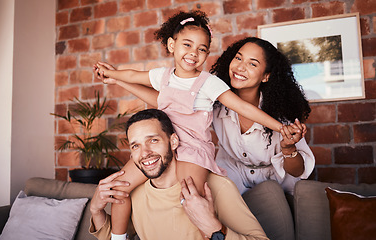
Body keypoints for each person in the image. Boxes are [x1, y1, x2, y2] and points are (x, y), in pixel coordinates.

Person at [94, 11, 289, 239]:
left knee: (190, 200)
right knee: (119, 187)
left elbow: (243, 107)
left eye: (202, 49)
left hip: (192, 148)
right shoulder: (163, 77)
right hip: (164, 143)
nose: (193, 53)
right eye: (187, 44)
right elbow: (136, 78)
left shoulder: (208, 83)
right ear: (171, 44)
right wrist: (114, 76)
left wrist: (280, 128)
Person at [89, 109, 269, 240]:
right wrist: (96, 210)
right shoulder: (136, 194)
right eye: (136, 146)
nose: (145, 153)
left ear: (173, 141)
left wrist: (214, 228)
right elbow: (116, 237)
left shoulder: (215, 187)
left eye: (153, 140)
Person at [210, 37, 315, 195]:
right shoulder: (215, 106)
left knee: (269, 193)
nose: (240, 67)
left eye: (252, 63)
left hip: (277, 189)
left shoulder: (282, 117)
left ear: (266, 76)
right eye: (238, 58)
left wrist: (288, 148)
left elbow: (298, 171)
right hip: (232, 182)